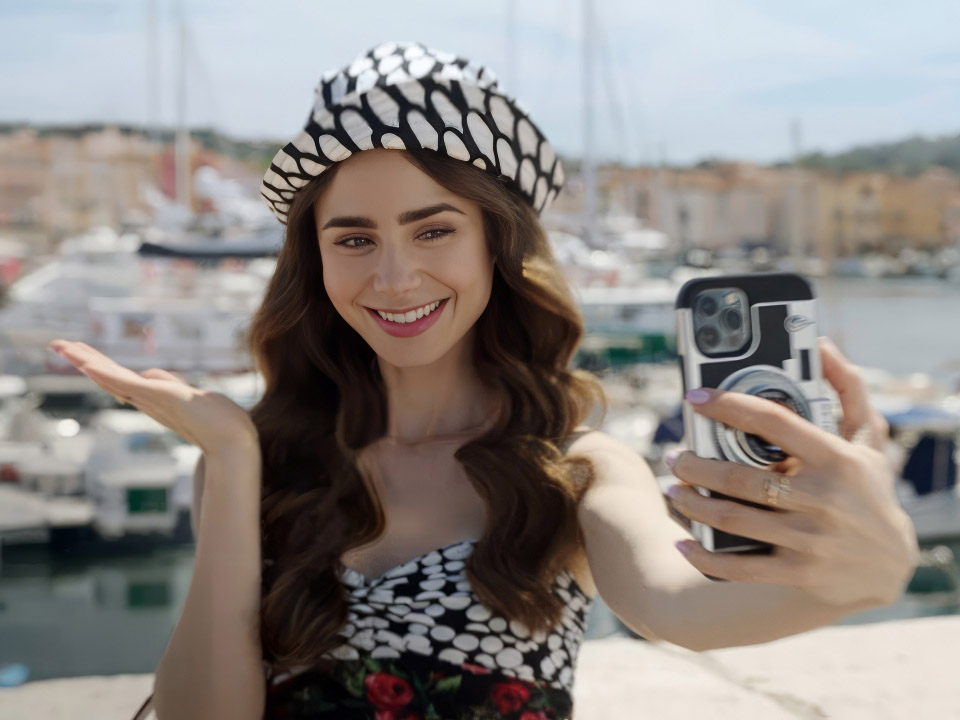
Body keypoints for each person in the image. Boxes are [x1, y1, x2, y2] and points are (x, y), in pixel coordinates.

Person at [50, 41, 920, 720]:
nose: (393, 278)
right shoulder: (252, 465)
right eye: (354, 239)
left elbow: (679, 607)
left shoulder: (571, 468)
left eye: (433, 231)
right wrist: (234, 463)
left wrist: (859, 573)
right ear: (315, 263)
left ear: (495, 245)